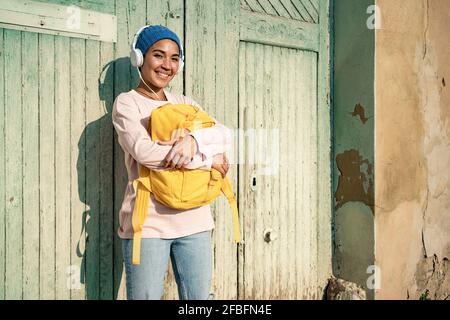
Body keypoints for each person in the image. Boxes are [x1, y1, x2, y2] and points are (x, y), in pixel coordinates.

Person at [112, 25, 232, 300]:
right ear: (139, 58)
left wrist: (194, 142)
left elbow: (223, 134)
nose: (167, 65)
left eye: (174, 58)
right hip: (148, 224)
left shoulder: (186, 102)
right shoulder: (128, 104)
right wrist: (207, 159)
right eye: (158, 55)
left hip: (195, 222)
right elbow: (146, 153)